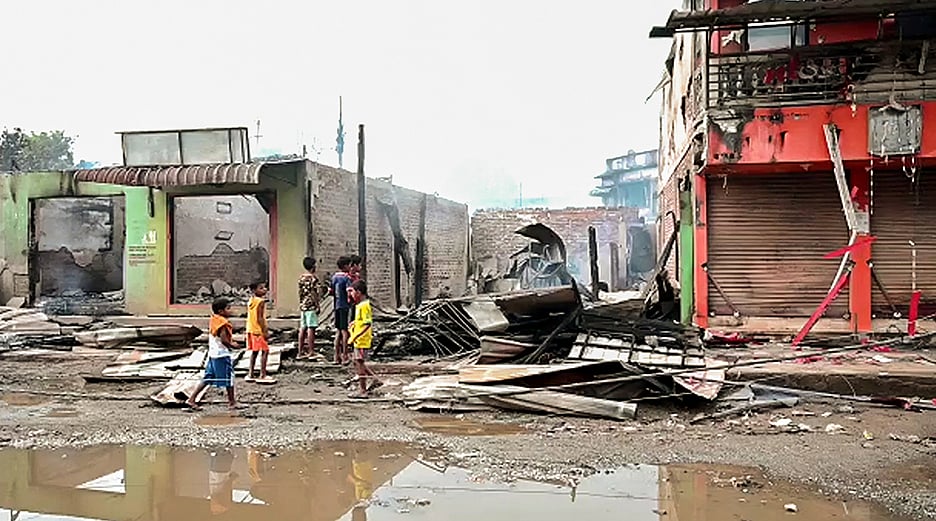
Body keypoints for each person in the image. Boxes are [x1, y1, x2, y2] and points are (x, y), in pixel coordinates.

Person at [186, 298, 240, 410]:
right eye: (228, 308)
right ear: (221, 311)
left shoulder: (214, 319)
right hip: (221, 354)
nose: (231, 311)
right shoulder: (223, 323)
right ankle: (232, 402)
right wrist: (233, 345)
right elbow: (224, 340)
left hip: (213, 353)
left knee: (208, 377)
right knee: (228, 378)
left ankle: (192, 399)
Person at [348, 279, 381, 398]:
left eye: (352, 291)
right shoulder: (360, 306)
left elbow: (367, 324)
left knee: (359, 363)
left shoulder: (364, 306)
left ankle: (363, 390)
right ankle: (374, 379)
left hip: (361, 339)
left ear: (359, 292)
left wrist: (356, 335)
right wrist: (354, 323)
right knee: (357, 362)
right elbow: (362, 321)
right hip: (358, 339)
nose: (351, 294)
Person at [246, 281, 276, 384]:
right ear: (254, 290)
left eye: (264, 287)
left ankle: (251, 373)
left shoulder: (251, 300)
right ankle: (262, 374)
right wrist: (265, 331)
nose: (265, 289)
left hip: (251, 329)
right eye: (261, 288)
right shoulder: (260, 302)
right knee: (265, 351)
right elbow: (260, 318)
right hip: (258, 330)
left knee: (255, 352)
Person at [297, 257, 323, 360]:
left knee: (303, 328)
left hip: (303, 306)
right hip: (311, 306)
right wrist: (317, 305)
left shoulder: (301, 278)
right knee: (311, 328)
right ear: (313, 266)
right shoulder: (313, 279)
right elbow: (314, 294)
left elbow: (300, 293)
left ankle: (300, 351)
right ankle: (311, 351)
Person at [329, 256, 353, 365]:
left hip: (336, 306)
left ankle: (336, 356)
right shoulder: (346, 278)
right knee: (344, 331)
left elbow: (331, 291)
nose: (350, 267)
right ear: (345, 266)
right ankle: (345, 356)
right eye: (349, 265)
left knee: (338, 331)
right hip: (344, 306)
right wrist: (351, 300)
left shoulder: (334, 277)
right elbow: (349, 293)